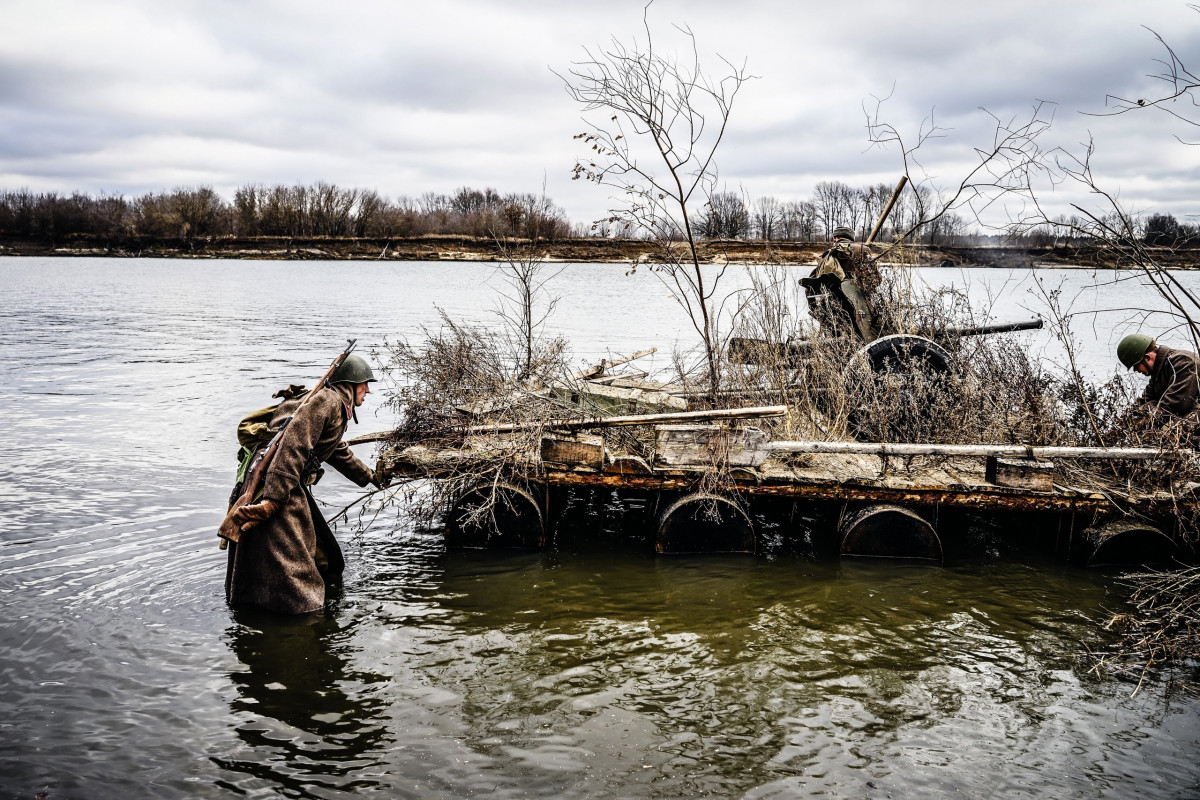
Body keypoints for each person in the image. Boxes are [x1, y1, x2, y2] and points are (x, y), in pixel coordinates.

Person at [225, 354, 383, 614]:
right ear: (350, 383)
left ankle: (259, 609)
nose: (368, 389)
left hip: (280, 482)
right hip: (277, 485)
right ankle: (300, 619)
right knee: (296, 571)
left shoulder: (333, 405)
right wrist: (272, 502)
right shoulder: (327, 401)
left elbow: (336, 451)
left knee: (324, 558)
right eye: (364, 383)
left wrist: (369, 477)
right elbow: (293, 447)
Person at [801, 225, 880, 342]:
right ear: (851, 238)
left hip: (830, 308)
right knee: (864, 340)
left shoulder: (826, 256)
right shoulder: (862, 249)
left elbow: (810, 287)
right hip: (857, 306)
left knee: (836, 341)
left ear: (834, 239)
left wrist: (816, 311)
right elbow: (876, 280)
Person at [1116, 332, 1200, 423]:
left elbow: (1176, 404)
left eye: (1136, 365)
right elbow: (1146, 399)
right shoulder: (1159, 369)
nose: (1135, 370)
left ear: (1147, 357)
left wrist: (1147, 422)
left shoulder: (1183, 362)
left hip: (1194, 414)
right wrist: (1126, 420)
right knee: (1147, 406)